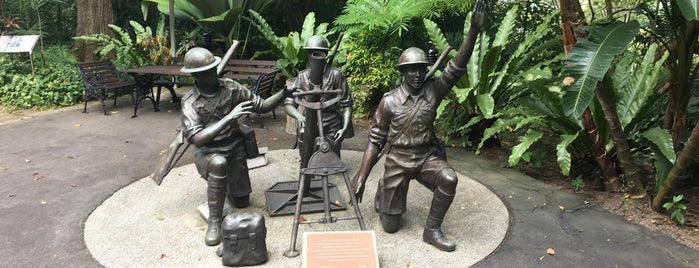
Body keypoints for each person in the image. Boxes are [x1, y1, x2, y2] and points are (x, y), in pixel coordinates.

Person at [351, 2, 484, 252]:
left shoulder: (433, 91)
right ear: (403, 72)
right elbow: (374, 141)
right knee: (391, 226)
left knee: (448, 178)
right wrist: (362, 176)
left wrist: (473, 32)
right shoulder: (389, 102)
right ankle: (385, 191)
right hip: (397, 161)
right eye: (411, 70)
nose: (416, 75)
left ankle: (432, 231)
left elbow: (456, 68)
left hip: (425, 158)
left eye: (421, 69)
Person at [179, 47, 291, 246]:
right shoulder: (190, 102)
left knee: (241, 202)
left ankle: (229, 187)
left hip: (234, 147)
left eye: (213, 68)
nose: (213, 73)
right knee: (219, 164)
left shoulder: (231, 88)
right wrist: (230, 117)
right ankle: (215, 222)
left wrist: (284, 92)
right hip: (209, 152)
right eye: (207, 72)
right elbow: (197, 138)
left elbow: (262, 106)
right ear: (195, 75)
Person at [284, 35, 353, 159]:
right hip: (309, 121)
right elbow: (288, 103)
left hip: (332, 121)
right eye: (310, 53)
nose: (313, 56)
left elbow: (347, 104)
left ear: (325, 54)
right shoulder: (302, 77)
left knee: (331, 159)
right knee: (307, 157)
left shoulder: (336, 75)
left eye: (317, 53)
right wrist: (299, 116)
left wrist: (345, 127)